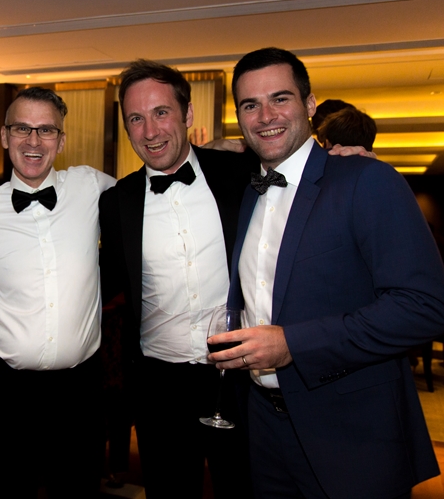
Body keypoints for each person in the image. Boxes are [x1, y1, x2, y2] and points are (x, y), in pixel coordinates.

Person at [210, 47, 444, 499]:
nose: (265, 116)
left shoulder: (366, 180)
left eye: (280, 99)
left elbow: (425, 306)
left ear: (310, 104)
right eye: (250, 105)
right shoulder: (249, 192)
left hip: (352, 435)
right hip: (264, 428)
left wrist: (292, 344)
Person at [98, 59, 257, 499]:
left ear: (187, 114)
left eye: (161, 112)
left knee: (244, 488)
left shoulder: (240, 174)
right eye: (136, 118)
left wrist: (344, 155)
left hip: (237, 376)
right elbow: (102, 280)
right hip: (158, 387)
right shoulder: (116, 202)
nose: (150, 131)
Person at [0, 87, 115, 498]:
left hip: (79, 391)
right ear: (4, 135)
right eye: (22, 128)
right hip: (5, 391)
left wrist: (209, 155)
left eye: (46, 130)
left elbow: (151, 190)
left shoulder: (91, 186)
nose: (33, 140)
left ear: (61, 141)